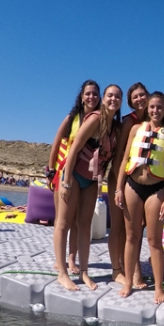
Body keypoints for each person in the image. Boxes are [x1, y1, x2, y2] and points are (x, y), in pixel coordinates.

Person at [54, 84, 122, 291]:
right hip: (73, 175)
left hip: (92, 181)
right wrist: (65, 181)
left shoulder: (115, 128)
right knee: (64, 223)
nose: (113, 99)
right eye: (110, 95)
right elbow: (73, 149)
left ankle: (84, 272)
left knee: (85, 225)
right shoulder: (94, 119)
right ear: (104, 99)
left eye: (117, 97)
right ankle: (62, 273)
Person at [115, 92, 164, 303]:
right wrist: (119, 188)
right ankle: (129, 282)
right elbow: (125, 160)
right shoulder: (135, 129)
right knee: (131, 237)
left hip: (156, 189)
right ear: (147, 108)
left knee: (154, 240)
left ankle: (159, 287)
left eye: (160, 107)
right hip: (132, 186)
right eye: (152, 107)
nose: (155, 111)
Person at [47, 80, 101, 275]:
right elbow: (56, 143)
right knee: (62, 218)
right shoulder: (72, 118)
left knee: (79, 219)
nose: (91, 97)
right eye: (88, 93)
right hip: (63, 170)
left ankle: (71, 258)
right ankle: (59, 260)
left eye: (95, 94)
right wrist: (50, 170)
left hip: (84, 174)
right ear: (81, 96)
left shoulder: (99, 120)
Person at [109, 82, 149, 286]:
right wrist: (119, 186)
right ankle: (118, 270)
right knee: (118, 227)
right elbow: (119, 158)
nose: (140, 99)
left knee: (135, 229)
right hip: (121, 179)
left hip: (141, 182)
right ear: (130, 102)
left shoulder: (153, 119)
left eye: (143, 95)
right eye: (135, 97)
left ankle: (132, 269)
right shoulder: (128, 122)